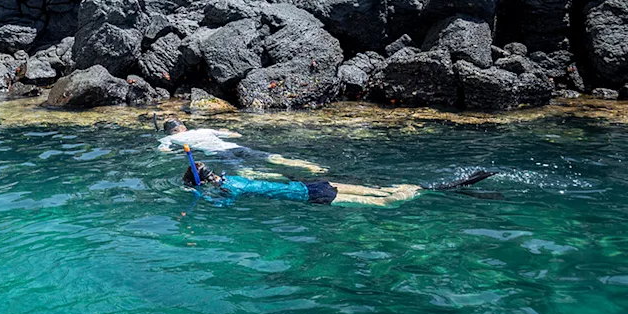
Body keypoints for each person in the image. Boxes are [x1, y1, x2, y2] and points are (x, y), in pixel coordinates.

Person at [182, 161, 497, 207]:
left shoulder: (229, 189)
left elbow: (225, 203)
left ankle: (431, 191)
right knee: (378, 192)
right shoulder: (232, 178)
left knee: (386, 202)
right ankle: (423, 186)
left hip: (312, 195)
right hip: (317, 183)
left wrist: (199, 196)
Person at [157, 118, 327, 174]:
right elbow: (234, 135)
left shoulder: (171, 139)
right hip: (232, 146)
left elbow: (163, 152)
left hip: (218, 153)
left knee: (245, 171)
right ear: (184, 127)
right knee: (271, 158)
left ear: (171, 132)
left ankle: (279, 178)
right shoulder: (203, 129)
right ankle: (309, 166)